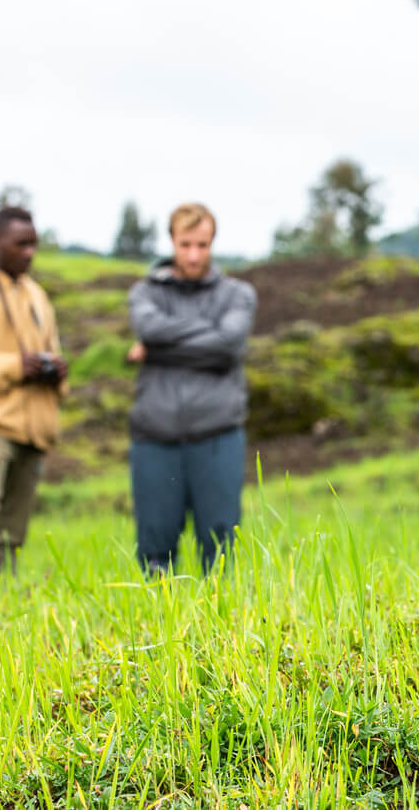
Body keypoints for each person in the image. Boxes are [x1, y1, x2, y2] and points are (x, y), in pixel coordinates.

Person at [126, 203, 256, 576]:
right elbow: (150, 328)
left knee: (220, 547)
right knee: (154, 547)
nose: (194, 254)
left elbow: (229, 346)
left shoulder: (237, 294)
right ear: (172, 242)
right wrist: (208, 339)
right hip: (155, 436)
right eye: (185, 244)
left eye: (202, 244)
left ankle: (222, 631)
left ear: (213, 242)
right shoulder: (145, 293)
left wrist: (161, 348)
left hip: (218, 435)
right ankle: (155, 627)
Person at [0, 207, 67, 576]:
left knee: (14, 528)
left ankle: (2, 596)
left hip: (34, 428)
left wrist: (56, 371)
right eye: (20, 244)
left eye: (34, 245)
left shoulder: (37, 295)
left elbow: (53, 348)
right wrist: (15, 366)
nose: (29, 252)